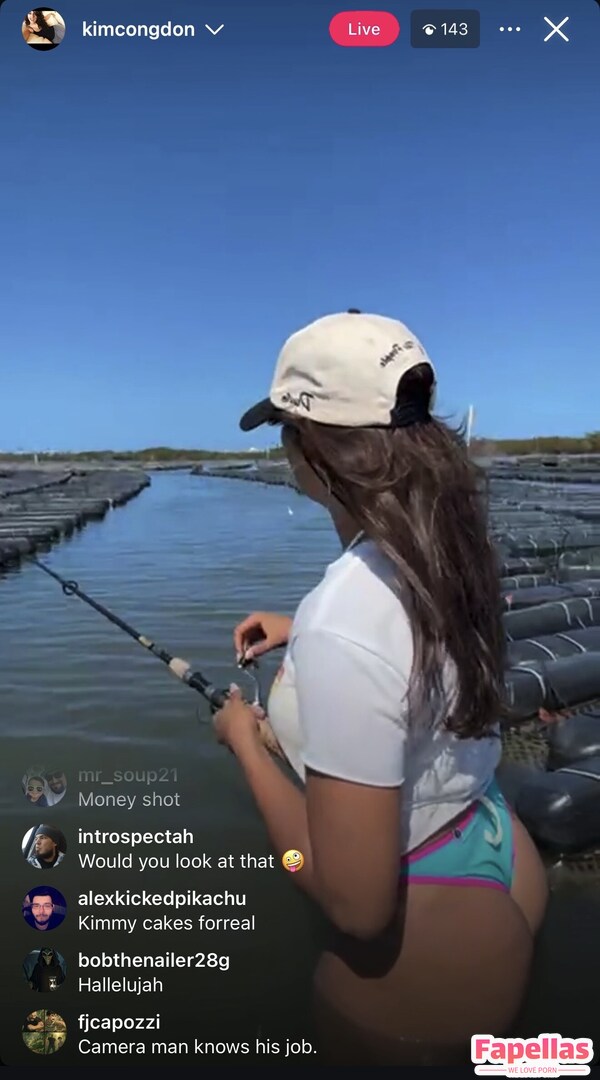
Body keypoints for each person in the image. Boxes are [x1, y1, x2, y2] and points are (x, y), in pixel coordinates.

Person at [213, 310, 549, 1065]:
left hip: (422, 938)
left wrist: (246, 748)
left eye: (286, 430)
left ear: (313, 449)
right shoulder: (451, 539)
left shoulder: (345, 616)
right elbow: (406, 635)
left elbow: (353, 907)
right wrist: (299, 627)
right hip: (498, 850)